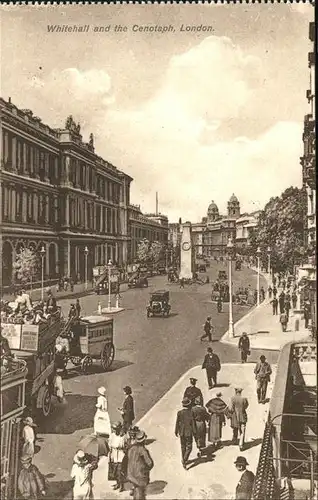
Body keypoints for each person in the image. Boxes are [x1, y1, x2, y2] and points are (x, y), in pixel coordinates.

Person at [126, 430, 154, 499]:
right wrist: (146, 470)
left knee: (136, 490)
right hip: (140, 476)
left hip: (131, 474)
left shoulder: (131, 449)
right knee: (140, 493)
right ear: (143, 441)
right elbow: (150, 463)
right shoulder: (143, 450)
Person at [175, 397, 196, 469]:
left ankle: (183, 458)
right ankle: (184, 459)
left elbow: (177, 422)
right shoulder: (191, 412)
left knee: (183, 446)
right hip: (188, 432)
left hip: (182, 432)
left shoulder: (180, 412)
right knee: (189, 447)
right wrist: (195, 432)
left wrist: (176, 431)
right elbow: (193, 423)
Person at [108, 422, 127, 492]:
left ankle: (122, 485)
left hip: (120, 455)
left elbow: (125, 445)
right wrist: (110, 454)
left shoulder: (123, 436)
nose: (115, 430)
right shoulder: (112, 435)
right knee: (114, 471)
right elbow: (109, 444)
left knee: (120, 471)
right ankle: (117, 483)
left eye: (116, 429)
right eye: (114, 429)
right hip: (114, 454)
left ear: (119, 429)